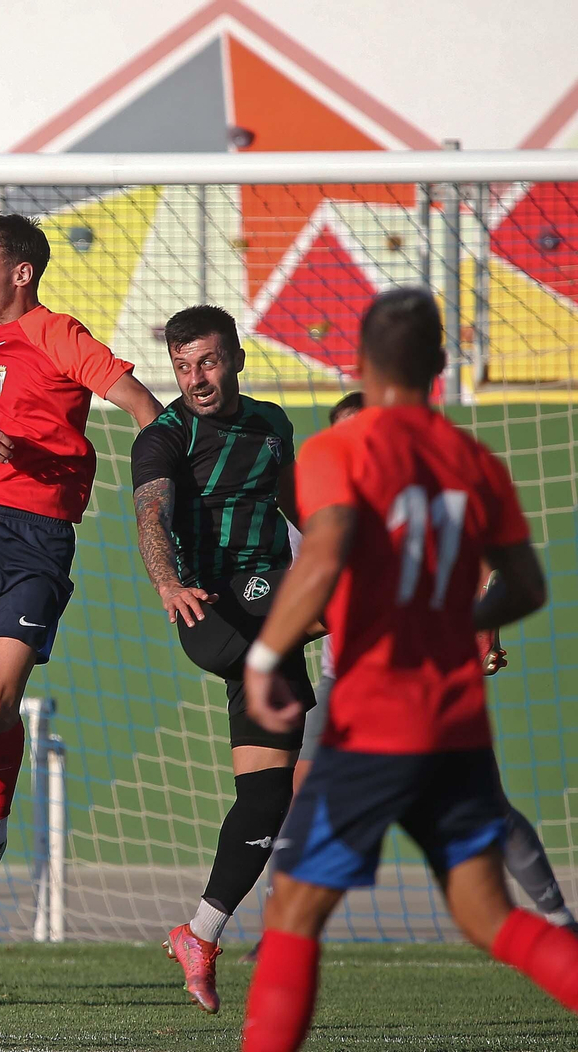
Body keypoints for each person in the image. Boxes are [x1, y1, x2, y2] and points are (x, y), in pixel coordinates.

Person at [240, 287, 578, 1051]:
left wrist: (266, 655)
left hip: (374, 722)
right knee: (489, 916)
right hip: (457, 726)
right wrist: (460, 622)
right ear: (440, 366)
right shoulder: (473, 459)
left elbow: (325, 552)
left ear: (358, 362)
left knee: (293, 911)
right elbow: (526, 587)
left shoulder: (338, 448)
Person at [0, 212, 162, 917]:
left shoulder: (59, 334)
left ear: (21, 272)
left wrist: (163, 482)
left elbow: (140, 402)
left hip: (42, 537)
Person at [290, 390, 576, 934]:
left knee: (487, 807)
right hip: (343, 680)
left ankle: (559, 919)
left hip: (425, 679)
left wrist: (482, 633)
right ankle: (289, 931)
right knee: (299, 798)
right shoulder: (315, 510)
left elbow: (495, 565)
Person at [129, 305, 312, 1012]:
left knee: (268, 793)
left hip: (271, 619)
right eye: (182, 366)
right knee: (342, 607)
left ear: (235, 356)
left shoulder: (272, 424)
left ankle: (201, 934)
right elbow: (151, 515)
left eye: (207, 361)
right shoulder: (166, 436)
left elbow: (303, 510)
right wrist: (167, 580)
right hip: (213, 609)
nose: (196, 378)